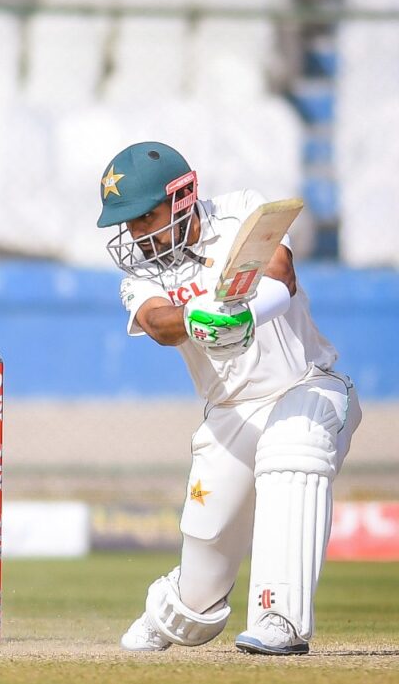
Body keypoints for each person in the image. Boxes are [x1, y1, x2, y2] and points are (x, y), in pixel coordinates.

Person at [96, 141, 361, 656]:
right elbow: (157, 324)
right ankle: (169, 609)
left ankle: (279, 616)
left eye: (144, 217)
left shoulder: (241, 212)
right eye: (127, 224)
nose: (136, 235)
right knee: (198, 593)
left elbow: (281, 274)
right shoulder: (142, 274)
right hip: (229, 416)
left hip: (306, 385)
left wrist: (244, 316)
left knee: (295, 446)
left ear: (182, 198)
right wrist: (201, 319)